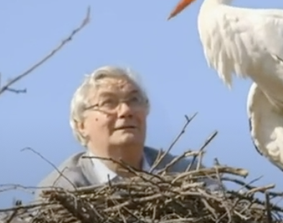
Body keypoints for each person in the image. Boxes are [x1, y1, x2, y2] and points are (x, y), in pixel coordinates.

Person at [37, 65, 198, 199]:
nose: (126, 111)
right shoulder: (62, 189)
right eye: (108, 102)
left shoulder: (187, 175)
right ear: (81, 126)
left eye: (134, 100)